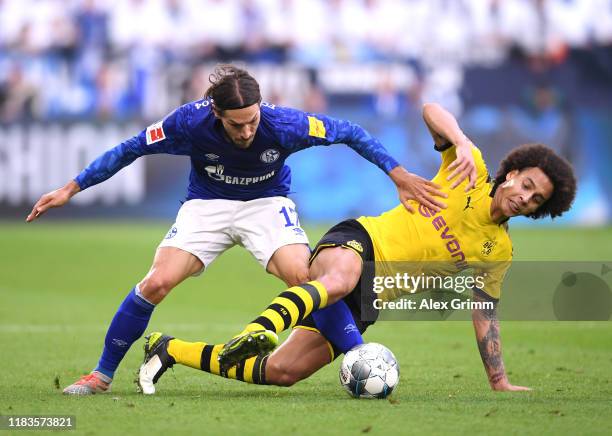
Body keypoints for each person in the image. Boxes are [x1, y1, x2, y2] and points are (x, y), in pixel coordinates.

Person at [26, 65, 458, 395]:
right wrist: (71, 187)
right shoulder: (187, 124)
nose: (248, 131)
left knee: (306, 278)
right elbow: (129, 149)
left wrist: (397, 173)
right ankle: (101, 375)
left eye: (252, 120)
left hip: (266, 206)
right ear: (216, 113)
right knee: (155, 283)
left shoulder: (284, 125)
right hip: (207, 207)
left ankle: (356, 357)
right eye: (237, 124)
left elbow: (349, 131)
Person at [138, 102, 576, 394]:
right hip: (360, 242)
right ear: (513, 172)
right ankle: (259, 328)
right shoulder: (470, 170)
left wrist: (498, 380)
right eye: (528, 184)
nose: (525, 197)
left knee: (283, 373)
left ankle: (169, 349)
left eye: (537, 200)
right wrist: (461, 140)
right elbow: (430, 110)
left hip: (372, 299)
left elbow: (485, 311)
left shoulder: (497, 250)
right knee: (340, 278)